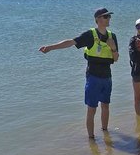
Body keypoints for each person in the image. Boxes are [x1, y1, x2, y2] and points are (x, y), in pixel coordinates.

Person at [39, 7, 120, 140]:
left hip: (107, 77)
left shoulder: (112, 36)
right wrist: (50, 48)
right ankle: (91, 139)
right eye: (106, 17)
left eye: (109, 16)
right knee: (92, 108)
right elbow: (71, 42)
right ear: (97, 19)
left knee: (105, 105)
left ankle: (106, 133)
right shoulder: (90, 35)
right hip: (93, 77)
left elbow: (116, 59)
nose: (108, 19)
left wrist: (113, 48)